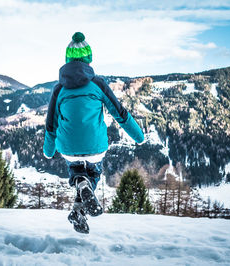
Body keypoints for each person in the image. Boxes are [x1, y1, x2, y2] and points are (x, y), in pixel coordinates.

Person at [43, 32, 144, 234]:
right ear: (89, 59)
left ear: (67, 60)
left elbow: (51, 125)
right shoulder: (98, 84)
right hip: (95, 147)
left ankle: (78, 209)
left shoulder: (58, 89)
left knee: (78, 169)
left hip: (68, 149)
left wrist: (48, 150)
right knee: (94, 172)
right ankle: (80, 195)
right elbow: (120, 113)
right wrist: (138, 136)